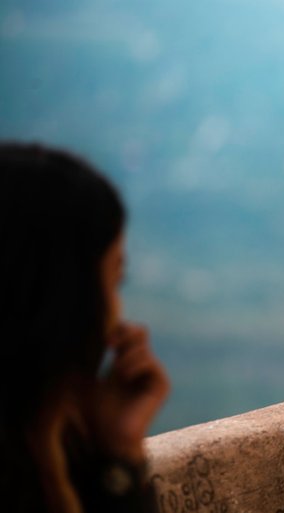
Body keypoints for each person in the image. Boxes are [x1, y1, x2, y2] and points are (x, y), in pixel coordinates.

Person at [0, 143, 170, 513]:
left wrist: (117, 452)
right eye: (113, 283)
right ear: (63, 302)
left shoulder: (48, 450)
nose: (118, 314)